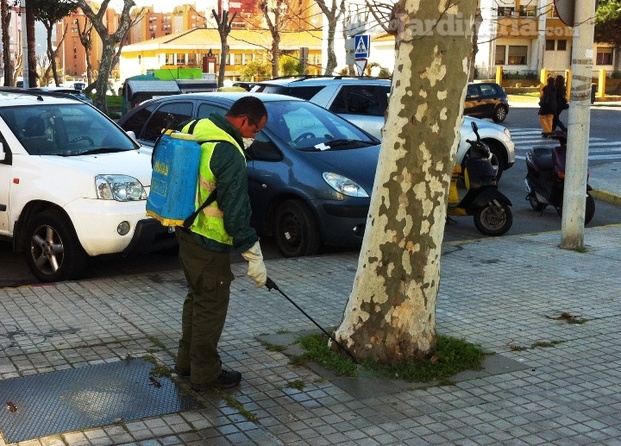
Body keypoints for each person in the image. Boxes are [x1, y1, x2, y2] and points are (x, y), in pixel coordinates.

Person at [174, 96, 268, 391]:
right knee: (211, 306)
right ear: (243, 121)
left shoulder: (195, 126)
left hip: (185, 229)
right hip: (209, 240)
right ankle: (205, 374)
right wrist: (253, 255)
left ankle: (185, 364)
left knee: (196, 298)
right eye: (256, 130)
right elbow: (236, 210)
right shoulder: (228, 152)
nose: (256, 136)